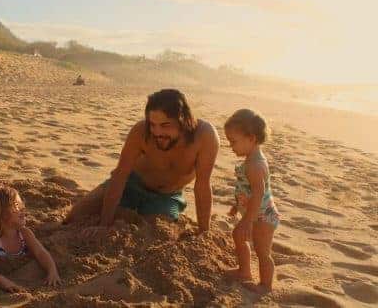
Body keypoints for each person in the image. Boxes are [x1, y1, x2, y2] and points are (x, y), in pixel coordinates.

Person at [64, 89, 219, 235]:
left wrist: (204, 233)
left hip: (166, 196)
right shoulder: (140, 131)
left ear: (184, 121)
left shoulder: (204, 136)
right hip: (130, 185)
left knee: (157, 232)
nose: (157, 132)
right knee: (74, 217)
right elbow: (120, 175)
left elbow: (202, 185)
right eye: (153, 125)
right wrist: (104, 224)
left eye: (165, 125)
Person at [224, 109, 279, 294]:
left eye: (233, 141)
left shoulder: (255, 165)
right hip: (253, 213)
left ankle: (265, 285)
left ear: (252, 138)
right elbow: (245, 190)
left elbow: (258, 194)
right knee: (238, 236)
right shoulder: (250, 160)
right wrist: (237, 205)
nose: (231, 146)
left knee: (262, 251)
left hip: (263, 217)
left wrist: (248, 220)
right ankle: (244, 272)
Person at [0, 187, 61, 292]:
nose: (23, 209)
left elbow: (40, 253)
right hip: (5, 285)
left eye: (22, 205)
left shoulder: (25, 234)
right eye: (17, 206)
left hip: (30, 282)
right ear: (1, 214)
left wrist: (52, 270)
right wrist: (3, 281)